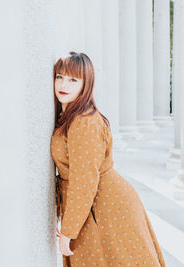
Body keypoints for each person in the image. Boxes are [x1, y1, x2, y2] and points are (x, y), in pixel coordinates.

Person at [50, 51, 166, 267]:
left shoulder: (83, 122)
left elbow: (84, 181)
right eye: (59, 76)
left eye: (73, 79)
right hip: (93, 205)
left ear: (86, 85)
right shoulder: (71, 116)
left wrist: (68, 230)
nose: (63, 84)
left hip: (103, 206)